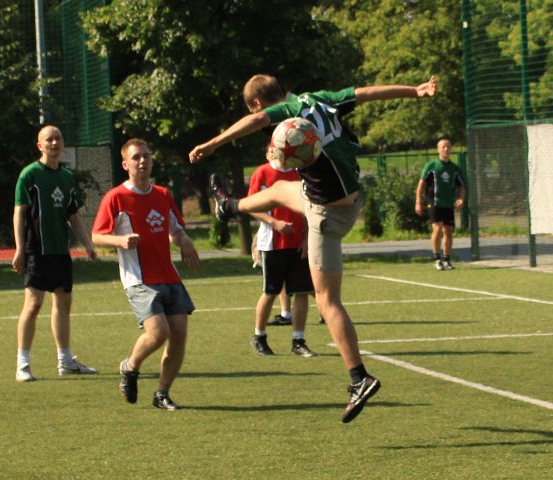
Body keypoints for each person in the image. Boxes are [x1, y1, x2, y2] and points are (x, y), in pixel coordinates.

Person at [189, 73, 436, 423]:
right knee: (278, 191)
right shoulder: (322, 98)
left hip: (325, 216)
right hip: (351, 202)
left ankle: (359, 378)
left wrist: (213, 143)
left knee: (328, 301)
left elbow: (257, 121)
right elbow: (368, 93)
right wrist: (415, 91)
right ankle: (227, 206)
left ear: (258, 102)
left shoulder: (286, 111)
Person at [92, 138, 199, 410]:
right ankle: (130, 366)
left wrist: (184, 241)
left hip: (169, 275)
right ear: (125, 165)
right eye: (136, 157)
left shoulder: (162, 194)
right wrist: (120, 241)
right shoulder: (116, 197)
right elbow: (97, 236)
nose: (143, 161)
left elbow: (175, 230)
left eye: (146, 156)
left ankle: (162, 393)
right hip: (139, 279)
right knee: (158, 333)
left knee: (179, 335)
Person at [12, 125, 98, 383]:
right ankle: (23, 364)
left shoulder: (67, 177)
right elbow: (19, 213)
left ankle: (65, 361)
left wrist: (87, 243)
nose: (54, 142)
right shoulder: (29, 174)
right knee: (33, 304)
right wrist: (19, 249)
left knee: (63, 303)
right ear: (40, 145)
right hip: (36, 250)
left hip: (61, 251)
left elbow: (73, 215)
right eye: (48, 139)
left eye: (58, 138)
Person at [247, 158, 316, 358]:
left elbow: (309, 207)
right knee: (271, 292)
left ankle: (298, 341)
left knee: (302, 292)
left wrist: (307, 238)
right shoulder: (262, 172)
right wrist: (274, 222)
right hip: (272, 243)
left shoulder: (300, 171)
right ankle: (259, 337)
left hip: (298, 244)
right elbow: (251, 206)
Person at [415, 138, 465, 271]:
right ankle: (437, 259)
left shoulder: (455, 169)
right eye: (443, 147)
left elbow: (461, 187)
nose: (446, 149)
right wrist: (418, 202)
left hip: (448, 203)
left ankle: (447, 259)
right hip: (434, 202)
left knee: (448, 230)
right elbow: (421, 185)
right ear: (438, 149)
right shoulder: (431, 166)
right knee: (437, 228)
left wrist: (461, 198)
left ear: (451, 149)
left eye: (448, 146)